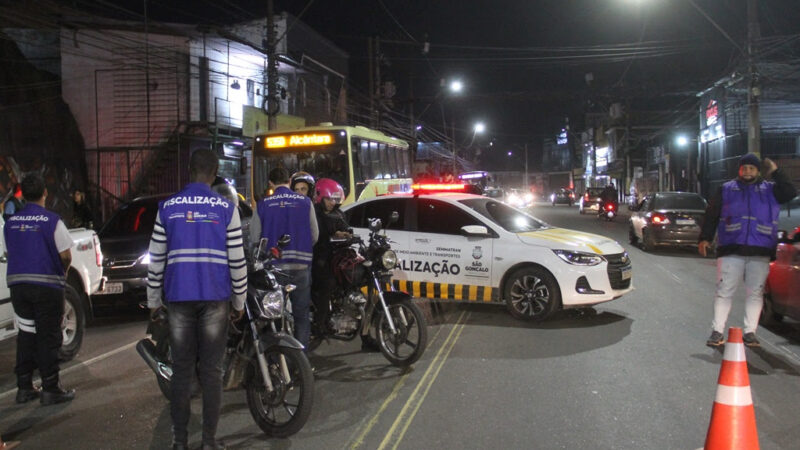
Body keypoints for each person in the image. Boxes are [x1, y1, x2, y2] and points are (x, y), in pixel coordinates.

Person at [146, 149, 247, 449]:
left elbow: (156, 260)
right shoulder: (226, 209)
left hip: (178, 298)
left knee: (182, 371)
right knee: (212, 372)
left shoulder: (167, 208)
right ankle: (208, 441)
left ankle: (179, 442)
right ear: (214, 173)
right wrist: (239, 301)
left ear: (189, 171)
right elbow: (237, 261)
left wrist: (153, 300)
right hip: (215, 298)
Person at [699, 153, 797, 348]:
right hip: (731, 249)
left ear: (758, 171)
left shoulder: (771, 190)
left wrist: (777, 172)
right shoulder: (726, 189)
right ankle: (717, 331)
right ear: (739, 170)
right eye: (744, 168)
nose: (748, 172)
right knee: (724, 291)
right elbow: (712, 214)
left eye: (752, 168)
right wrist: (705, 238)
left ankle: (750, 332)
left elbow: (790, 192)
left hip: (760, 250)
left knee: (755, 293)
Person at [1, 173, 75, 405]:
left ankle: (24, 388)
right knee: (48, 335)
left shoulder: (10, 223)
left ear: (22, 194)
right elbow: (65, 255)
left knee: (26, 334)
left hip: (18, 286)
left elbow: (7, 252)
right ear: (45, 193)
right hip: (46, 286)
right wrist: (61, 274)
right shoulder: (52, 221)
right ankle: (50, 388)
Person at [250, 167, 318, 347]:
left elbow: (255, 238)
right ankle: (301, 357)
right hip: (301, 267)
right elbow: (315, 235)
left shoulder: (263, 204)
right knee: (301, 315)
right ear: (289, 181)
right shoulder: (305, 203)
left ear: (270, 184)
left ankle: (280, 360)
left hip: (274, 269)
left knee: (275, 315)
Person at [311, 178, 351, 335]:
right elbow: (318, 234)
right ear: (321, 197)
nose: (332, 203)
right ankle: (320, 324)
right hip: (319, 259)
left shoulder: (338, 213)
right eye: (329, 199)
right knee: (328, 283)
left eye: (335, 199)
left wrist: (348, 234)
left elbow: (346, 228)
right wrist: (334, 234)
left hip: (336, 258)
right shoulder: (314, 213)